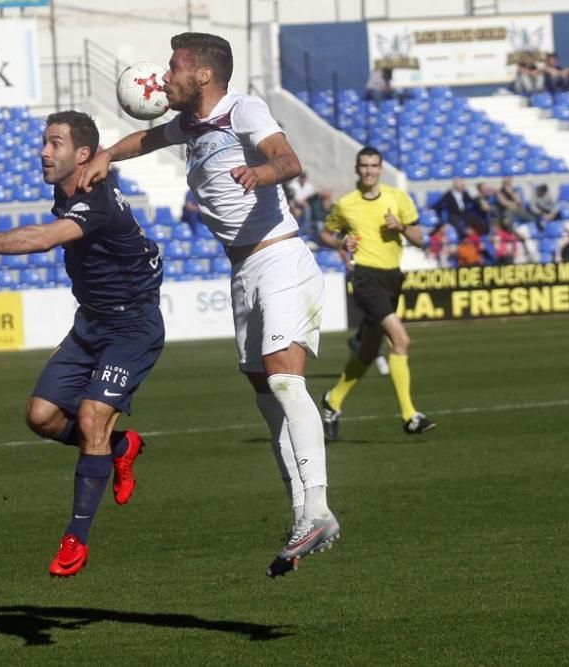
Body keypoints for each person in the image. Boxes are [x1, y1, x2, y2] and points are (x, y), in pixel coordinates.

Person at [76, 32, 337, 576]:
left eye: (173, 66)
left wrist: (260, 172)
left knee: (286, 380)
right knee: (269, 402)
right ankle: (301, 518)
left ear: (202, 76)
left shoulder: (244, 108)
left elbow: (286, 159)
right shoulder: (192, 124)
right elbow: (147, 142)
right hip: (244, 271)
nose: (163, 76)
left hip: (282, 259)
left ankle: (319, 507)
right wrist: (104, 155)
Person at [0, 110, 163, 577]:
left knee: (92, 416)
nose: (43, 151)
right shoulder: (68, 192)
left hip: (131, 329)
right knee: (40, 416)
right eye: (44, 141)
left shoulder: (96, 202)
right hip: (91, 325)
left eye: (55, 143)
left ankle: (75, 539)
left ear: (82, 155)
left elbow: (43, 239)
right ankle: (119, 448)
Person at [319, 146, 436, 441]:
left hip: (392, 278)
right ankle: (409, 415)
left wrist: (400, 228)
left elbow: (421, 239)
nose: (369, 170)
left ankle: (332, 401)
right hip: (364, 278)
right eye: (364, 166)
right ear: (357, 169)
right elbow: (325, 233)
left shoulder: (398, 198)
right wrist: (341, 243)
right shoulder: (347, 204)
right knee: (400, 339)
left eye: (374, 165)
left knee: (368, 352)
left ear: (380, 169)